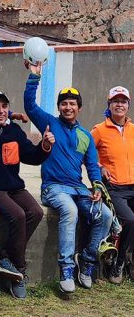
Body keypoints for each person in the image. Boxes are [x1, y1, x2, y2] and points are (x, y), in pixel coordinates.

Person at [24, 63, 112, 293]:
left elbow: (92, 166)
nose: (67, 107)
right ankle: (65, 268)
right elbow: (30, 105)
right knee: (70, 211)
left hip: (78, 189)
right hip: (53, 188)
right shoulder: (49, 122)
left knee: (105, 214)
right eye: (63, 103)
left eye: (72, 103)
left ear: (79, 108)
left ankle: (87, 260)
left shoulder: (85, 136)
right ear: (59, 107)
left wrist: (97, 187)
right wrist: (34, 77)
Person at [0, 91, 54, 299]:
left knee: (35, 212)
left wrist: (45, 146)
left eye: (4, 106)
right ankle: (20, 270)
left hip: (14, 187)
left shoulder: (14, 130)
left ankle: (6, 256)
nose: (0, 110)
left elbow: (31, 156)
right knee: (18, 215)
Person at [91, 86, 134, 283]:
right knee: (131, 220)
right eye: (115, 101)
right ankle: (118, 264)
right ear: (109, 105)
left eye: (123, 101)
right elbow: (87, 153)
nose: (119, 104)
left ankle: (129, 260)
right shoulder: (99, 130)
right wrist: (99, 166)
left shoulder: (133, 129)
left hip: (132, 185)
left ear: (128, 105)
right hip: (114, 188)